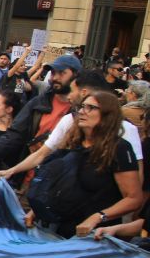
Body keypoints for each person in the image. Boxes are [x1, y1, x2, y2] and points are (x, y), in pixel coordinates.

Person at [15, 92, 142, 237]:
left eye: (90, 107)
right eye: (81, 107)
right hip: (59, 230)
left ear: (108, 115)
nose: (82, 111)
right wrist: (39, 211)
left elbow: (133, 199)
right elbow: (61, 184)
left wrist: (98, 217)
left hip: (94, 236)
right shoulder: (73, 142)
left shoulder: (118, 148)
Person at [0, 53, 82, 172]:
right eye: (53, 73)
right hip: (30, 175)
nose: (55, 77)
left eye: (61, 73)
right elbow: (14, 135)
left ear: (76, 75)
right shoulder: (38, 103)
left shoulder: (83, 111)